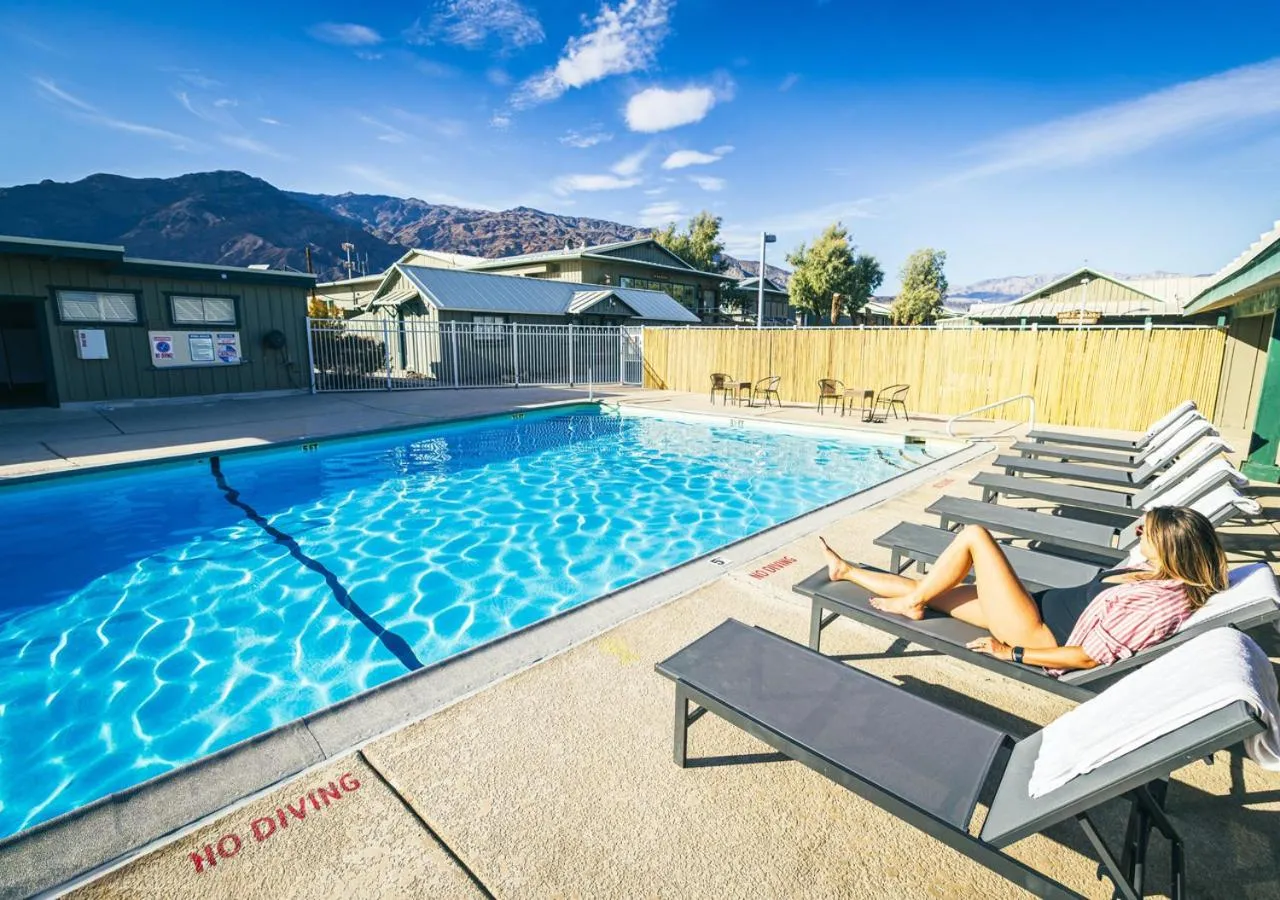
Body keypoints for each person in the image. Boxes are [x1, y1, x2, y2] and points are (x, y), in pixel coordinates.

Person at [819, 506, 1227, 673]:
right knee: (930, 587)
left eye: (1146, 531)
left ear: (1173, 550)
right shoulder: (1156, 569)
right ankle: (847, 571)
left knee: (975, 537)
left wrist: (1011, 652)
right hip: (1032, 611)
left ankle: (912, 602)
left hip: (1033, 633)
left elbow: (1087, 657)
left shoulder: (1160, 602)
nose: (1138, 533)